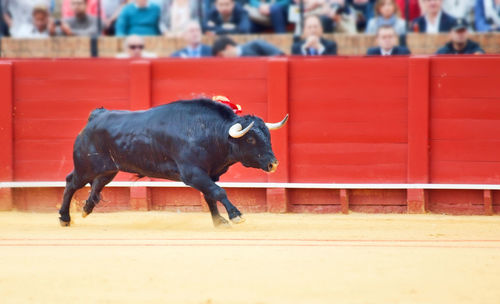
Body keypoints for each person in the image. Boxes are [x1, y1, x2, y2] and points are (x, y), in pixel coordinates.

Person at [212, 35, 284, 57]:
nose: (222, 59)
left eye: (221, 55)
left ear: (228, 47)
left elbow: (280, 55)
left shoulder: (256, 45)